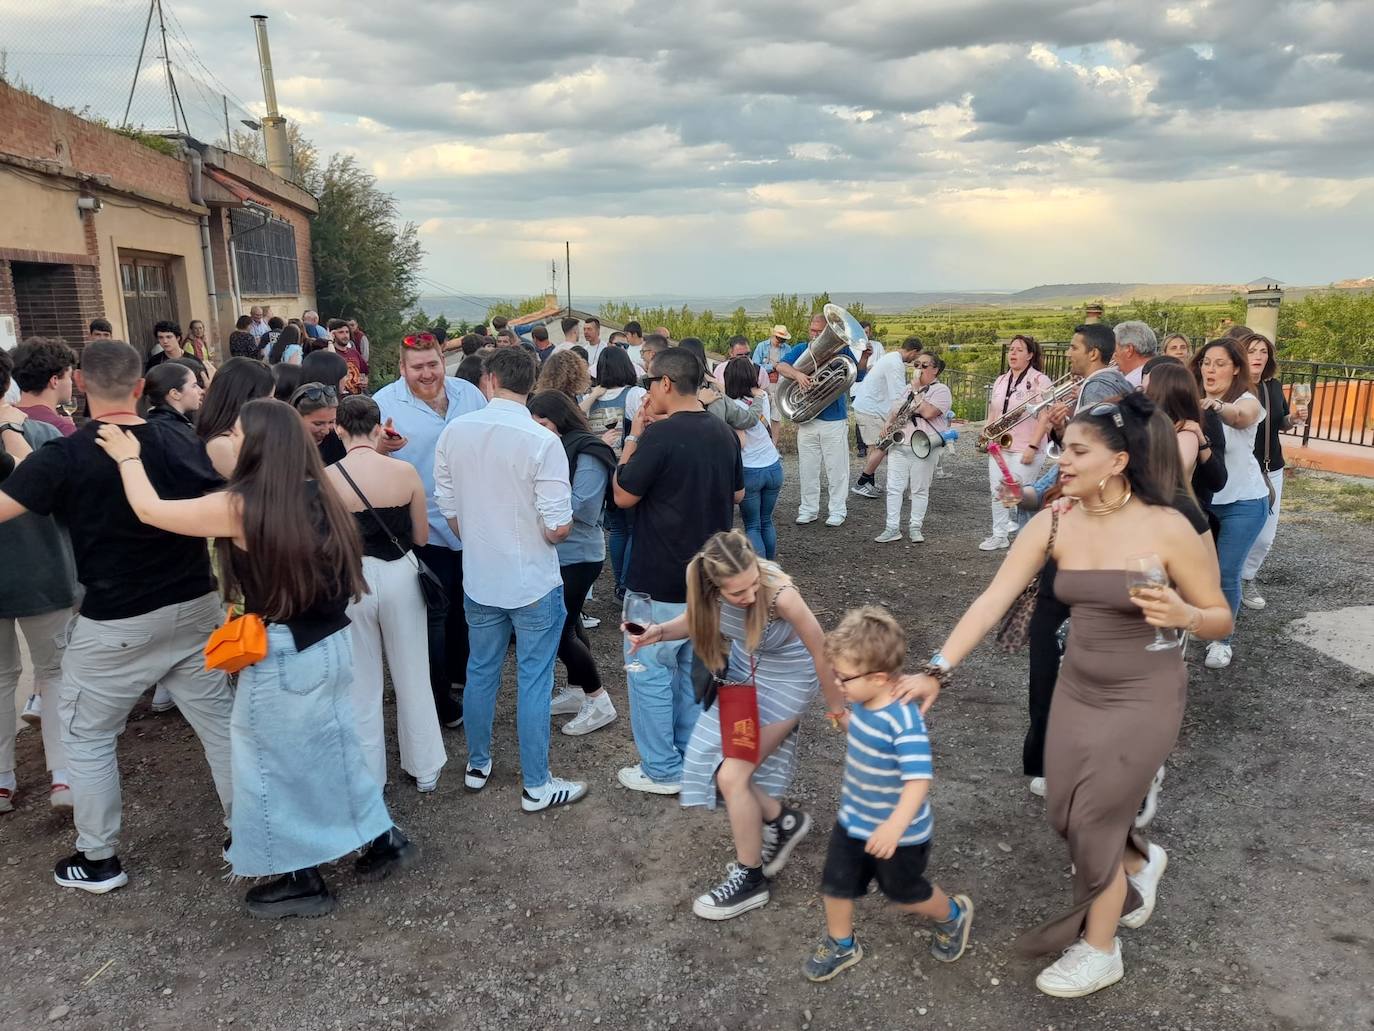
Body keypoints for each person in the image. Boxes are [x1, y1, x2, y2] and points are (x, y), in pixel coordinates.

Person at [897, 392, 1231, 998]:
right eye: (1062, 448)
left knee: (1095, 820)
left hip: (1146, 692)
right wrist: (937, 669)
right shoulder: (1055, 521)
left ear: (1119, 461)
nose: (1062, 460)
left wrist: (1185, 612)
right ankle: (1136, 863)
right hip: (1078, 688)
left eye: (1077, 450)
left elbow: (1219, 618)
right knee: (1063, 813)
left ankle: (1101, 949)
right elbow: (992, 598)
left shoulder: (1168, 526)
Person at [94, 398, 416, 916]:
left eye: (238, 434)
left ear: (260, 445)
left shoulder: (244, 504)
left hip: (285, 654)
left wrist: (128, 457)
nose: (229, 441)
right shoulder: (321, 491)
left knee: (269, 767)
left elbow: (152, 511)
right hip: (331, 644)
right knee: (335, 750)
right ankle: (382, 837)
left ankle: (301, 878)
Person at [0, 339, 234, 894]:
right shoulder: (178, 437)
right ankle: (246, 833)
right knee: (222, 728)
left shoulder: (65, 453)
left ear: (79, 383)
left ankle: (99, 857)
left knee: (88, 734)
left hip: (115, 622)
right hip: (193, 605)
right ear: (139, 388)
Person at [626, 531, 839, 918]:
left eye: (753, 582)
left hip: (788, 681)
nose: (750, 595)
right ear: (714, 585)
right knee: (711, 761)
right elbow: (696, 619)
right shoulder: (706, 587)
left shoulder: (780, 595)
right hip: (744, 675)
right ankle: (782, 821)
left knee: (732, 776)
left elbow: (821, 650)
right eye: (738, 592)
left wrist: (838, 707)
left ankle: (751, 879)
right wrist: (658, 632)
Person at [434, 348, 587, 811]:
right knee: (534, 680)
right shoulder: (542, 440)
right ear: (533, 383)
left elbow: (449, 507)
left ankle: (478, 764)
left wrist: (482, 539)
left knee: (481, 672)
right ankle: (536, 784)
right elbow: (559, 526)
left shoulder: (455, 432)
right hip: (533, 580)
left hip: (480, 576)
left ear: (490, 379)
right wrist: (537, 533)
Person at [801, 605, 974, 981]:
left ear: (878, 678)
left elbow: (917, 780)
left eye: (843, 677)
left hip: (901, 834)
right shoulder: (862, 703)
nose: (838, 683)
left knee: (906, 893)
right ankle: (841, 944)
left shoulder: (903, 720)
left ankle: (953, 915)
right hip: (855, 820)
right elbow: (866, 740)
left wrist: (895, 826)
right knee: (836, 883)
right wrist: (844, 720)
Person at [612, 348, 744, 795]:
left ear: (666, 383)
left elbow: (623, 496)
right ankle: (691, 757)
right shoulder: (724, 432)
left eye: (651, 382)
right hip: (710, 578)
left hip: (658, 577)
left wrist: (634, 435)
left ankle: (662, 769)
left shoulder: (659, 437)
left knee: (648, 671)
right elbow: (739, 494)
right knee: (693, 671)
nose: (648, 391)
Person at [326, 395, 446, 793]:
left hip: (352, 579)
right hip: (400, 574)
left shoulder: (325, 478)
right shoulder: (405, 471)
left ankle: (368, 777)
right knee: (413, 671)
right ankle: (425, 766)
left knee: (361, 681)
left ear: (338, 429)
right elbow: (422, 536)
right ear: (379, 428)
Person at [373, 333, 487, 730]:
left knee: (468, 606)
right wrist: (383, 450)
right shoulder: (384, 404)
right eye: (417, 367)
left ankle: (462, 676)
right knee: (432, 614)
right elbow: (365, 463)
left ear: (444, 360)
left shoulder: (470, 394)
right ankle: (438, 700)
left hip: (472, 523)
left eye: (433, 364)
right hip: (422, 529)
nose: (427, 374)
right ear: (402, 368)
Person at [0, 350, 76, 814]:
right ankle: (63, 775)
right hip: (44, 567)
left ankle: (2, 779)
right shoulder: (42, 432)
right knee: (54, 673)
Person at [527, 390, 620, 737]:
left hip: (580, 553)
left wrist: (534, 499)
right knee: (571, 624)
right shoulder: (560, 448)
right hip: (562, 552)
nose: (539, 431)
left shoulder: (589, 450)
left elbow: (582, 505)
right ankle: (578, 691)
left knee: (559, 629)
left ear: (559, 420)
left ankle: (600, 700)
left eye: (543, 423)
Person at [1191, 339, 1269, 669]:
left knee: (1226, 572)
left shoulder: (1247, 399)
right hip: (1205, 500)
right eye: (1207, 362)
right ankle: (1207, 621)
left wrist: (1215, 406)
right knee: (1200, 571)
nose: (1211, 369)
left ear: (1236, 367)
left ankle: (1223, 640)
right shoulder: (1191, 399)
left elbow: (1240, 417)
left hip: (1244, 501)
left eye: (1220, 363)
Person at [1241, 333, 1304, 611]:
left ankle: (1246, 578)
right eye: (1252, 350)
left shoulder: (1273, 386)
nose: (1258, 356)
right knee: (1232, 531)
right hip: (1237, 471)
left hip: (1269, 468)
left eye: (1263, 352)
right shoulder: (1233, 387)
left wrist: (1294, 419)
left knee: (1265, 536)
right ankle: (1221, 583)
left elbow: (1281, 422)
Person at [776, 313, 856, 527]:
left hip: (834, 419)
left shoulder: (841, 350)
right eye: (813, 331)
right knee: (808, 468)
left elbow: (858, 372)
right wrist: (798, 376)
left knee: (837, 469)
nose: (816, 335)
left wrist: (864, 356)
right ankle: (808, 509)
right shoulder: (802, 348)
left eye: (820, 332)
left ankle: (838, 510)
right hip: (807, 420)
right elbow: (780, 367)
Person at [973, 336, 1053, 547]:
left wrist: (1033, 447)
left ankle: (1024, 539)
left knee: (1019, 494)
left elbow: (1045, 416)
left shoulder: (1040, 381)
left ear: (1030, 355)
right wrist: (986, 433)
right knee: (997, 491)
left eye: (1019, 350)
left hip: (1026, 446)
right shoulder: (1001, 380)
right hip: (1000, 446)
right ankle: (999, 535)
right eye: (1011, 349)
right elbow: (994, 410)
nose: (1013, 353)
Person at [873, 355, 951, 544]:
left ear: (935, 370)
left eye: (924, 365)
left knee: (919, 489)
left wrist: (916, 391)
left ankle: (915, 527)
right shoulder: (907, 389)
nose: (919, 368)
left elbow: (929, 412)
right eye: (916, 364)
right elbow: (895, 410)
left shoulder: (941, 390)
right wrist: (888, 423)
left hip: (923, 445)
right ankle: (892, 527)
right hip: (901, 443)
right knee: (893, 488)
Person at [723, 357, 783, 560]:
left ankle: (760, 572)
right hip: (773, 466)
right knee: (766, 521)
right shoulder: (763, 396)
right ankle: (771, 566)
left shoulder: (730, 405)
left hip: (749, 469)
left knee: (753, 526)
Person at [851, 337, 923, 498]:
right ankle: (862, 482)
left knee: (876, 446)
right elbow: (898, 396)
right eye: (916, 357)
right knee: (878, 447)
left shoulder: (891, 358)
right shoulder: (895, 364)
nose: (915, 361)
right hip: (871, 408)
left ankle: (869, 481)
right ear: (913, 351)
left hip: (871, 406)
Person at [198, 357, 275, 478]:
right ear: (246, 399)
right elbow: (262, 487)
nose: (274, 404)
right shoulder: (222, 445)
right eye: (269, 399)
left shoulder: (242, 432)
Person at [12, 337, 78, 437]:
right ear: (54, 381)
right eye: (69, 376)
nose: (71, 382)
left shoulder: (5, 418)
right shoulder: (62, 428)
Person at [140, 361, 205, 433]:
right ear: (175, 394)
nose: (201, 391)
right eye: (194, 386)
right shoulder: (177, 433)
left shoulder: (151, 426)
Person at [751, 325, 792, 435]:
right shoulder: (761, 347)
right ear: (773, 336)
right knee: (762, 415)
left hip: (780, 386)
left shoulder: (787, 349)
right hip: (764, 387)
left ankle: (773, 444)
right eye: (779, 338)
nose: (781, 341)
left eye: (783, 339)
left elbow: (790, 366)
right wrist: (772, 367)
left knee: (776, 418)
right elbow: (755, 366)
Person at [1113, 321, 1161, 388]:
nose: (1113, 355)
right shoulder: (1167, 374)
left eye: (1115, 350)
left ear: (1129, 350)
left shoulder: (1128, 386)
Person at [327, 320, 368, 393]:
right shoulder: (329, 352)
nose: (345, 335)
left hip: (356, 398)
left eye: (347, 332)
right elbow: (332, 360)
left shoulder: (354, 352)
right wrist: (330, 340)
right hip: (338, 398)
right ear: (333, 334)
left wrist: (364, 381)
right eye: (341, 332)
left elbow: (364, 372)